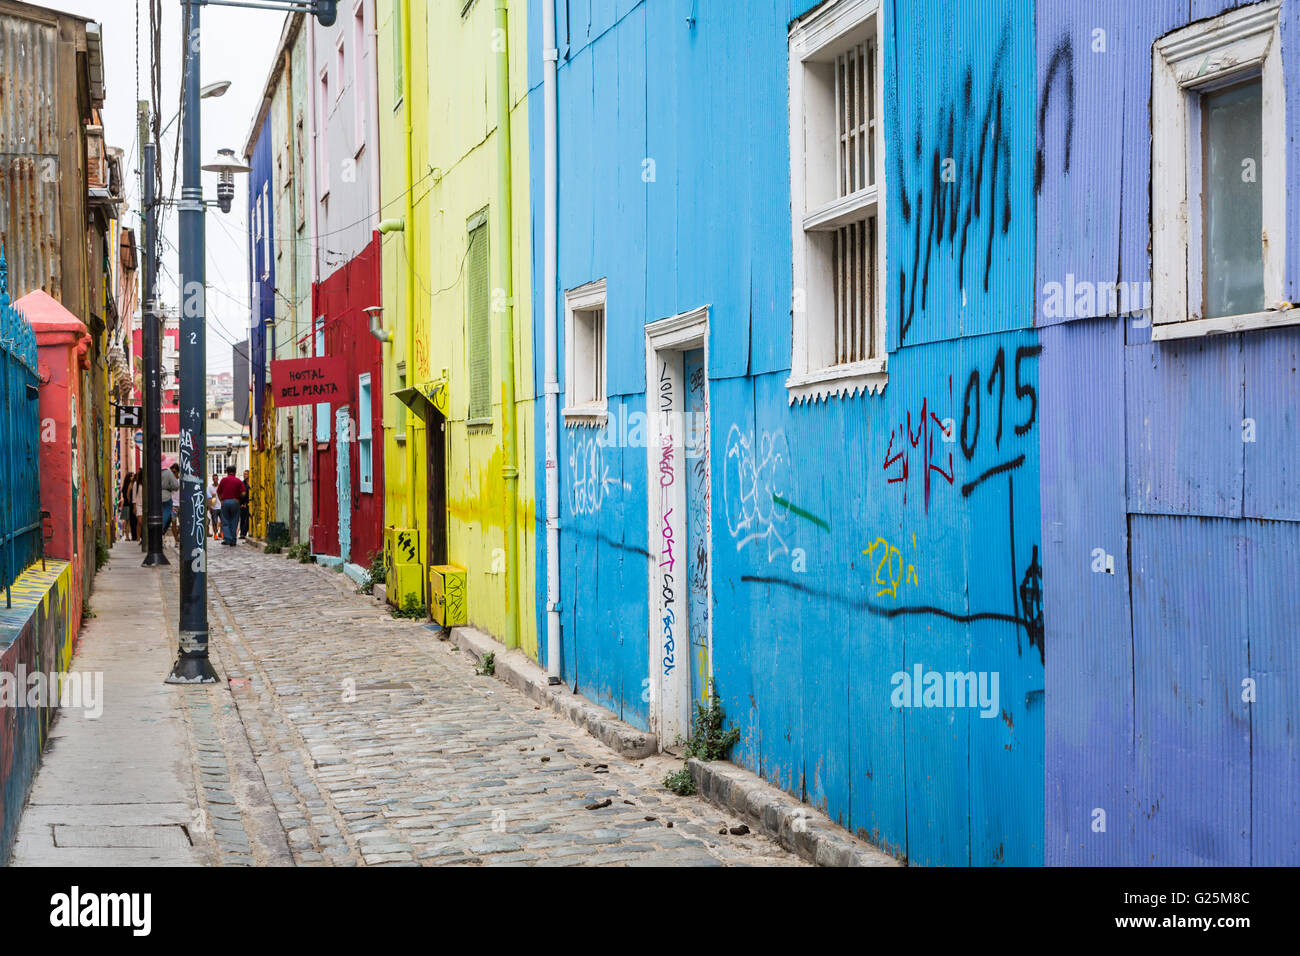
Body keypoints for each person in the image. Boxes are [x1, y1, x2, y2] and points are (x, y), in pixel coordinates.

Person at [217, 466, 246, 546]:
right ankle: (233, 540)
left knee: (225, 521)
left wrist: (221, 500)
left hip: (225, 502)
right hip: (235, 502)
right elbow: (243, 493)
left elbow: (218, 492)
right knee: (234, 521)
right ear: (235, 472)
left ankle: (228, 538)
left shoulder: (223, 480)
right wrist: (238, 499)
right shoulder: (238, 481)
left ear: (227, 472)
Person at [160, 461, 180, 541]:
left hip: (180, 505)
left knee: (182, 523)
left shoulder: (180, 481)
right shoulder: (169, 481)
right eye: (172, 472)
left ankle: (177, 536)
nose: (173, 474)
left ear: (178, 472)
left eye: (174, 472)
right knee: (173, 522)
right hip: (173, 505)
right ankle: (176, 539)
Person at [120, 472, 136, 541]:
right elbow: (127, 495)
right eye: (132, 476)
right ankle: (127, 536)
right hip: (128, 504)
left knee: (127, 521)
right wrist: (131, 502)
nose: (133, 477)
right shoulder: (130, 485)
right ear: (129, 477)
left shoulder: (124, 485)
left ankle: (127, 536)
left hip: (125, 504)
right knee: (128, 521)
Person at [239, 469, 252, 539]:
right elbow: (240, 494)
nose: (244, 475)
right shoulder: (242, 484)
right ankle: (242, 533)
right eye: (244, 474)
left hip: (250, 503)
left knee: (248, 519)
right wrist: (241, 504)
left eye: (246, 474)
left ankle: (245, 532)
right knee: (243, 519)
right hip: (243, 504)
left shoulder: (252, 483)